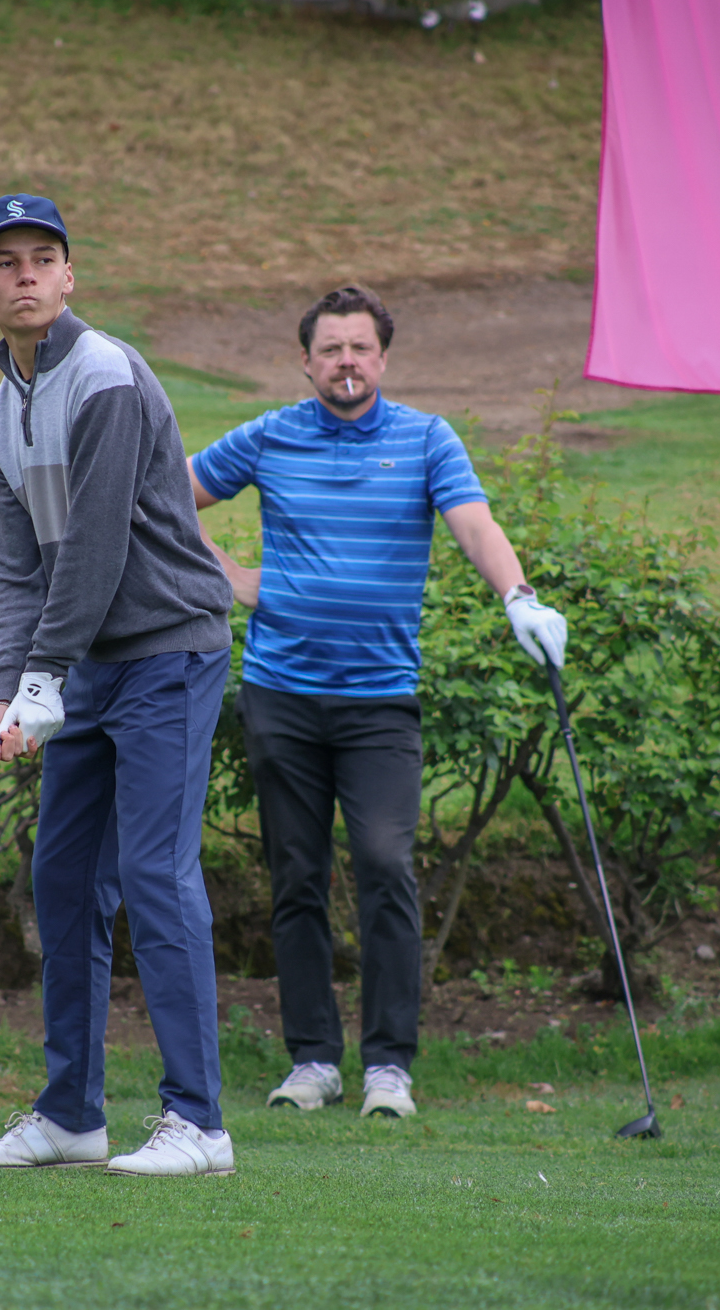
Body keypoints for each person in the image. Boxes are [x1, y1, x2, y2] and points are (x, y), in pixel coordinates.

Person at [188, 285, 568, 1118]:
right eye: (331, 349)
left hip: (380, 702)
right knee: (297, 876)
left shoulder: (427, 438)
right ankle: (313, 1060)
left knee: (387, 866)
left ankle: (389, 1064)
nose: (346, 362)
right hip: (282, 695)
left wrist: (519, 597)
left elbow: (475, 525)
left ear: (383, 358)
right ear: (306, 361)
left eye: (360, 347)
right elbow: (167, 492)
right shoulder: (271, 435)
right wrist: (229, 575)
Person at [0, 194, 241, 1177]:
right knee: (64, 878)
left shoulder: (105, 374)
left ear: (69, 276)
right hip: (86, 670)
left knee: (155, 872)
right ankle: (71, 1113)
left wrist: (43, 676)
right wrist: (8, 688)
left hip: (168, 651)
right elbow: (20, 565)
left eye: (43, 257)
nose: (25, 274)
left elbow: (98, 546)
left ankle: (199, 1123)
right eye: (5, 261)